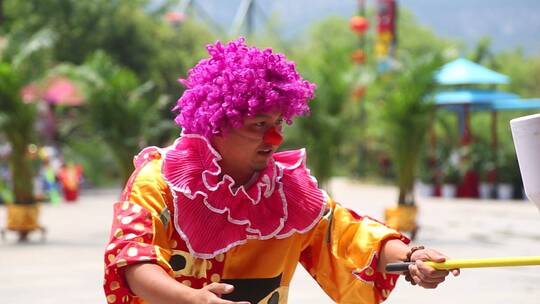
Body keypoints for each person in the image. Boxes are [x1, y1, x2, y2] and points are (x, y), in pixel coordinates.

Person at [103, 38, 459, 304]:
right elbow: (131, 260)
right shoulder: (161, 179)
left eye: (277, 123)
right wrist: (193, 299)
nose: (274, 138)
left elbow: (349, 237)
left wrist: (411, 258)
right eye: (259, 124)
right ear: (218, 124)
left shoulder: (289, 190)